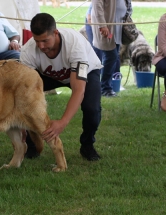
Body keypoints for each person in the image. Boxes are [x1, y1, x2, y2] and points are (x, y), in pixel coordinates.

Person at [20, 13, 104, 161]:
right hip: (49, 75)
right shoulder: (28, 51)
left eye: (45, 40)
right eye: (37, 41)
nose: (41, 46)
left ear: (56, 33)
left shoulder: (75, 44)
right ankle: (32, 145)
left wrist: (62, 122)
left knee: (92, 108)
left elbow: (79, 90)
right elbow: (25, 91)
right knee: (25, 96)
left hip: (87, 71)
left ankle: (87, 144)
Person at [91, 0, 142, 97]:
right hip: (108, 24)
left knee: (113, 54)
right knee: (111, 55)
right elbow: (97, 1)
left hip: (119, 24)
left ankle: (106, 87)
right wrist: (102, 25)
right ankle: (104, 88)